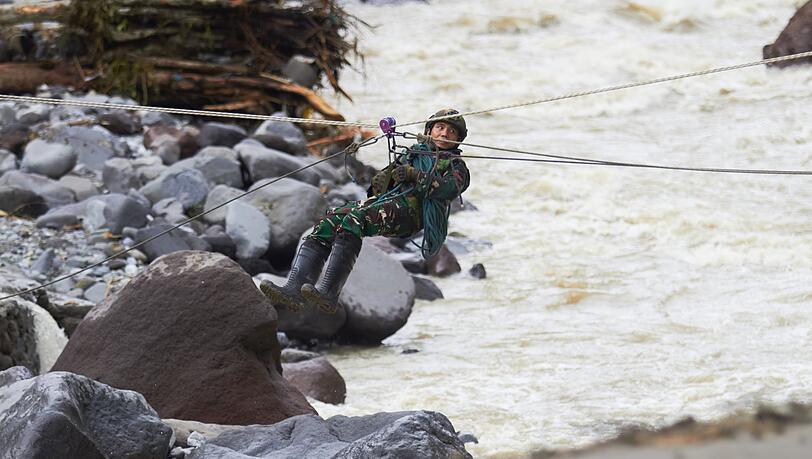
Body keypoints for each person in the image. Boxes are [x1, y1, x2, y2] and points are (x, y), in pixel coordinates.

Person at [260, 108, 471, 314]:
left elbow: (447, 189)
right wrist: (385, 178)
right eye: (440, 127)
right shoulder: (411, 155)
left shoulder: (456, 166)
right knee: (329, 221)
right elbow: (379, 188)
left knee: (355, 219)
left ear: (458, 139)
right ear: (429, 131)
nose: (444, 133)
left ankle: (329, 293)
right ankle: (293, 289)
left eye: (451, 131)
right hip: (389, 205)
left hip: (411, 216)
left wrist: (413, 174)